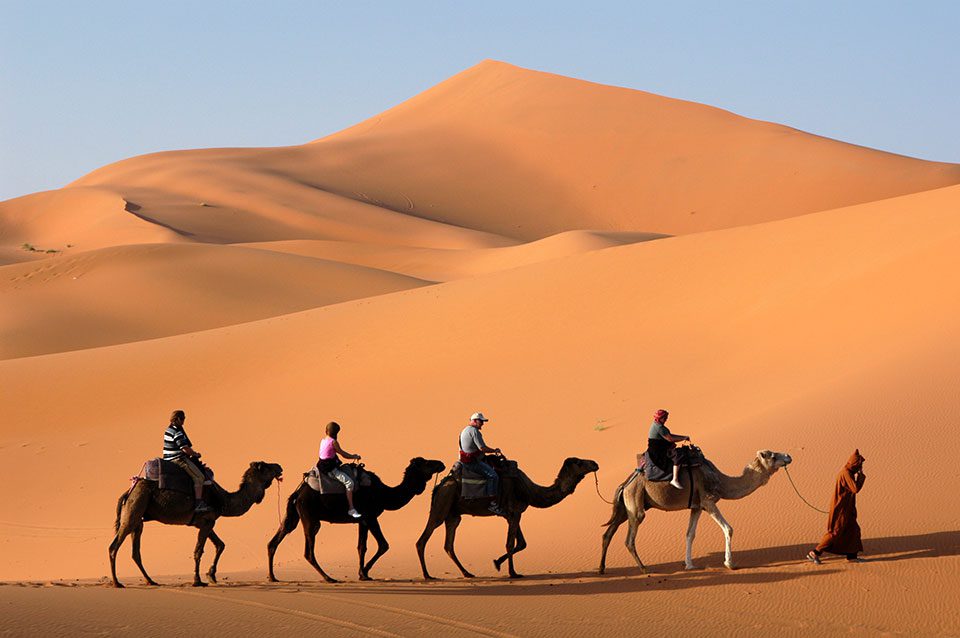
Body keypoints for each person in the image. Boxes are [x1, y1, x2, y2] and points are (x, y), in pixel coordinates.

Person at [807, 450, 866, 564]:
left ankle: (852, 556)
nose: (861, 466)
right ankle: (815, 552)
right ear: (855, 464)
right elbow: (855, 489)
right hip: (841, 509)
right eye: (860, 464)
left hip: (848, 509)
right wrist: (861, 478)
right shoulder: (846, 473)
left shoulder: (849, 472)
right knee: (835, 532)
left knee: (853, 530)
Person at [163, 410, 211, 513]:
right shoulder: (177, 432)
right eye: (183, 418)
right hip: (177, 459)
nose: (184, 421)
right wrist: (195, 454)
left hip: (168, 458)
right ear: (178, 419)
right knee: (199, 477)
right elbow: (184, 448)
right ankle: (198, 503)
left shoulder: (169, 429)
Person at [459, 412, 505, 515]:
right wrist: (494, 450)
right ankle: (492, 504)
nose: (482, 424)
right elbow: (482, 448)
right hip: (472, 463)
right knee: (493, 476)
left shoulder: (464, 430)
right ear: (475, 421)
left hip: (465, 460)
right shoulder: (474, 431)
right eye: (481, 421)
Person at [318, 421, 363, 519]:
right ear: (336, 433)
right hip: (330, 469)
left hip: (321, 466)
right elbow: (343, 454)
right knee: (350, 483)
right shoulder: (333, 442)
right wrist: (354, 456)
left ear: (326, 431)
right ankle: (351, 509)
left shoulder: (323, 440)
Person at [646, 409, 691, 489]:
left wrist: (682, 437)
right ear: (660, 418)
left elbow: (669, 435)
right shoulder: (659, 427)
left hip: (657, 449)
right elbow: (670, 438)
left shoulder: (656, 425)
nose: (666, 419)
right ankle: (675, 479)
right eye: (665, 417)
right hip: (659, 453)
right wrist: (683, 437)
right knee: (678, 456)